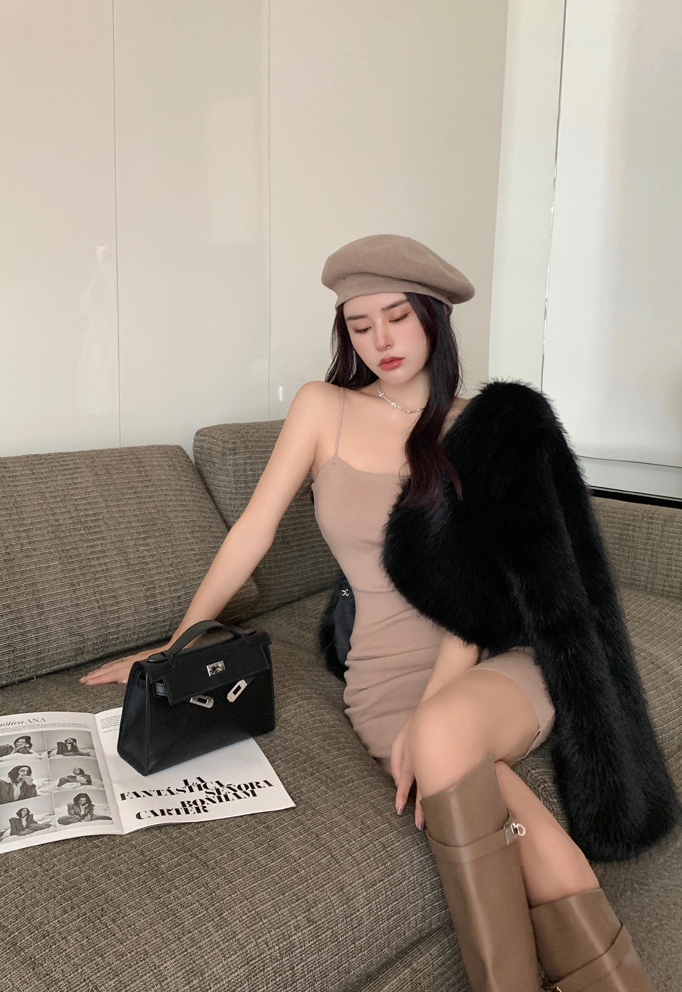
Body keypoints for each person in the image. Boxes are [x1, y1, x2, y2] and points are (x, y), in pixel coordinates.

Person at [81, 235, 678, 991]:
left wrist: (435, 711)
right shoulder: (322, 407)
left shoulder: (480, 426)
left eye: (397, 317)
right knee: (494, 793)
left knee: (446, 734)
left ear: (434, 316)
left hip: (491, 659)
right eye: (360, 326)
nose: (381, 341)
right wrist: (174, 649)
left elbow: (479, 592)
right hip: (383, 679)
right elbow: (252, 533)